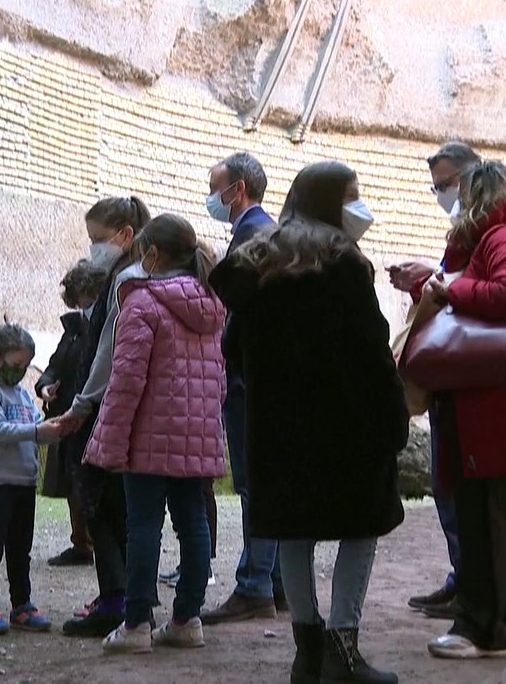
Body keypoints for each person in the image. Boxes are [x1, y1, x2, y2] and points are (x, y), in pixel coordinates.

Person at [211, 162, 405, 684]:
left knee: (292, 532)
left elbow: (232, 346)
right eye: (353, 196)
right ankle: (343, 649)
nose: (358, 207)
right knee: (360, 529)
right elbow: (372, 350)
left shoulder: (256, 262)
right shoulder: (344, 263)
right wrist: (394, 415)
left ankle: (306, 649)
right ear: (329, 202)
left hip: (277, 425)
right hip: (348, 425)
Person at [417, 160, 506, 659]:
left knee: (479, 511)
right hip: (492, 394)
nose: (452, 201)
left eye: (457, 191)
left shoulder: (499, 235)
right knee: (492, 509)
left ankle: (480, 627)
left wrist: (450, 289)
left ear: (478, 195)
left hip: (486, 399)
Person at [82, 214, 227, 654]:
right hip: (198, 434)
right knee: (193, 523)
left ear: (152, 254)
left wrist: (108, 440)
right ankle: (187, 619)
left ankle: (136, 624)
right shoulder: (213, 306)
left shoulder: (142, 303)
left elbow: (125, 381)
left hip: (148, 435)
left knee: (143, 525)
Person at [49, 195, 153, 638]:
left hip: (106, 409)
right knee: (122, 509)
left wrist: (82, 404)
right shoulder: (132, 276)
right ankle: (134, 599)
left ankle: (117, 602)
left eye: (98, 239)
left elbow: (109, 353)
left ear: (125, 235)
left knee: (102, 508)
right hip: (122, 407)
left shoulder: (123, 281)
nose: (93, 247)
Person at [388, 141, 482, 621]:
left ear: (471, 178)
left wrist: (439, 284)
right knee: (447, 483)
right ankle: (463, 580)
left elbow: (496, 291)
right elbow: (462, 279)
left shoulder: (494, 230)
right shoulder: (469, 229)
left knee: (464, 489)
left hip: (470, 376)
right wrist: (429, 277)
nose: (441, 194)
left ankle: (475, 591)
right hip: (457, 372)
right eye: (437, 186)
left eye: (445, 185)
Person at [199, 152, 287, 624]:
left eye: (217, 187)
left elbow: (242, 310)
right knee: (264, 481)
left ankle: (255, 585)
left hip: (248, 379)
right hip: (262, 377)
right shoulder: (267, 232)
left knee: (255, 483)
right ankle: (275, 583)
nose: (213, 197)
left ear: (239, 190)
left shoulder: (253, 235)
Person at [0, 322, 62, 635]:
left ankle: (21, 604)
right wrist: (38, 431)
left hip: (24, 483)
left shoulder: (21, 395)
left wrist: (58, 424)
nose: (20, 372)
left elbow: (37, 429)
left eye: (25, 366)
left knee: (20, 549)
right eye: (16, 364)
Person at [37, 260, 107, 567]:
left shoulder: (104, 325)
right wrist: (45, 385)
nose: (83, 303)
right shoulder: (75, 329)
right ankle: (81, 543)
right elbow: (55, 363)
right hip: (68, 410)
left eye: (87, 295)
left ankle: (100, 543)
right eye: (79, 297)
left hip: (94, 414)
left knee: (93, 484)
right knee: (71, 480)